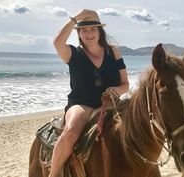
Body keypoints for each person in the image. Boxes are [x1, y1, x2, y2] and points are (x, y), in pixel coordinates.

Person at [49, 9, 129, 177]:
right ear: (78, 33)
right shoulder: (72, 53)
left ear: (100, 30)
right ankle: (53, 174)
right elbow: (57, 42)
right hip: (82, 104)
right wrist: (75, 19)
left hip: (111, 104)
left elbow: (125, 85)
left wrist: (116, 90)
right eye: (83, 30)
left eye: (92, 29)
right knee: (70, 133)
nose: (88, 33)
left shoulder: (113, 52)